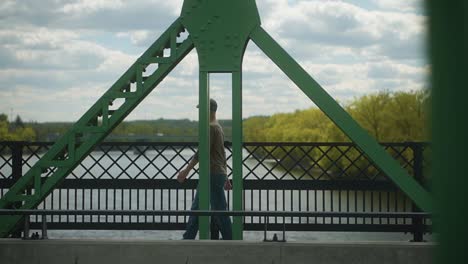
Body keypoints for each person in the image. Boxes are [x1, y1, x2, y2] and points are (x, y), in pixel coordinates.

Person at [177, 98, 233, 240]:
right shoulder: (218, 127)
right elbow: (222, 154)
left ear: (209, 110)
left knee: (211, 210)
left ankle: (229, 239)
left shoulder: (210, 127)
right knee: (207, 208)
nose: (200, 113)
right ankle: (189, 238)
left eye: (201, 110)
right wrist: (225, 176)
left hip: (211, 173)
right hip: (217, 173)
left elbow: (202, 152)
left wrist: (186, 171)